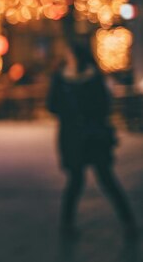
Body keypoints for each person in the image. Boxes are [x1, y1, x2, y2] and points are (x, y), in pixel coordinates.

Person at [47, 41, 136, 240]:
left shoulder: (80, 78)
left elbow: (102, 106)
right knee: (82, 180)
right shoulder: (66, 78)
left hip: (87, 136)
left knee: (98, 179)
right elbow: (52, 105)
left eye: (69, 55)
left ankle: (127, 222)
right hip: (80, 137)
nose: (67, 59)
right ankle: (69, 224)